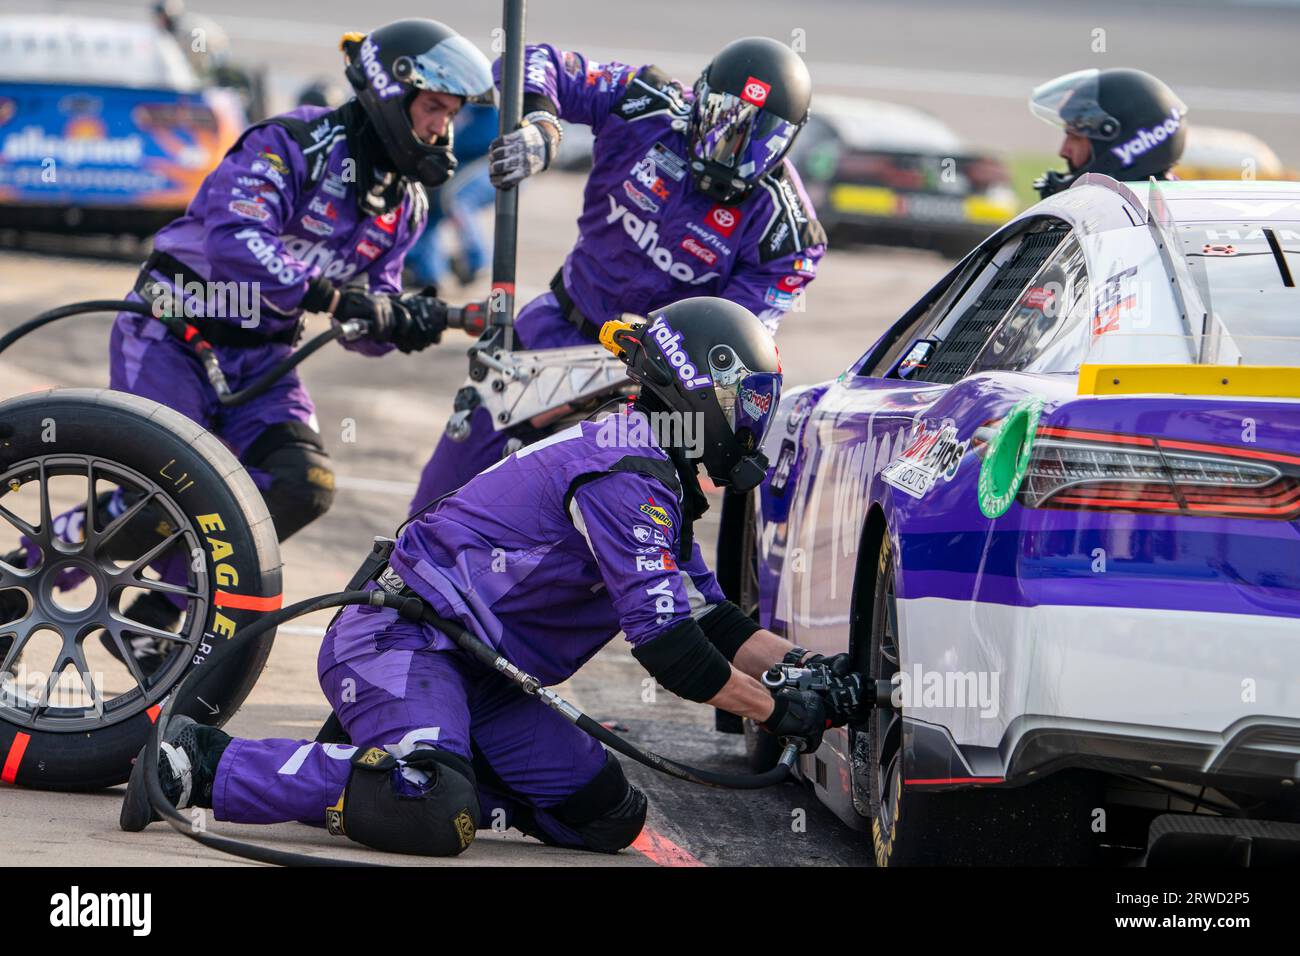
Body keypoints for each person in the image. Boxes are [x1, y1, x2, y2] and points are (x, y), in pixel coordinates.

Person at [120, 297, 851, 857]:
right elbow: (670, 648)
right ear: (703, 391)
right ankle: (202, 760)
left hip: (482, 677)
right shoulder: (627, 474)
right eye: (749, 401)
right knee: (433, 808)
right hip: (401, 641)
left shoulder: (652, 468)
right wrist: (775, 710)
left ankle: (397, 759)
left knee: (603, 816)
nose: (755, 420)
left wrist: (813, 672)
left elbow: (715, 620)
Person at [0, 19, 492, 671]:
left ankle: (158, 611)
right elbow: (236, 241)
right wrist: (328, 295)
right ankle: (17, 577)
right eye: (434, 108)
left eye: (451, 116)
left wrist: (402, 321)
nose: (441, 130)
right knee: (163, 487)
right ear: (389, 94)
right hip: (173, 333)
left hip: (261, 359)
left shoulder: (406, 208)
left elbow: (364, 322)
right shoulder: (292, 144)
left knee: (303, 483)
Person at [409, 36, 827, 509]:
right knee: (442, 493)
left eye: (756, 136)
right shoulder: (643, 101)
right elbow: (532, 60)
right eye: (724, 121)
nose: (731, 149)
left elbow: (731, 349)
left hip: (650, 390)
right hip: (555, 330)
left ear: (788, 139)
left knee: (607, 531)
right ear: (699, 96)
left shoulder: (789, 237)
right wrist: (542, 126)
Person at [1029, 67, 1188, 199]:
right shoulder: (1183, 208)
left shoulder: (1108, 223)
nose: (1064, 151)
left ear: (1125, 145)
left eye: (1076, 137)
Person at [404, 102, 499, 288]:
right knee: (427, 206)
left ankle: (475, 260)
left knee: (458, 197)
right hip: (458, 163)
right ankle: (428, 272)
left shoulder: (475, 95)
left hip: (491, 157)